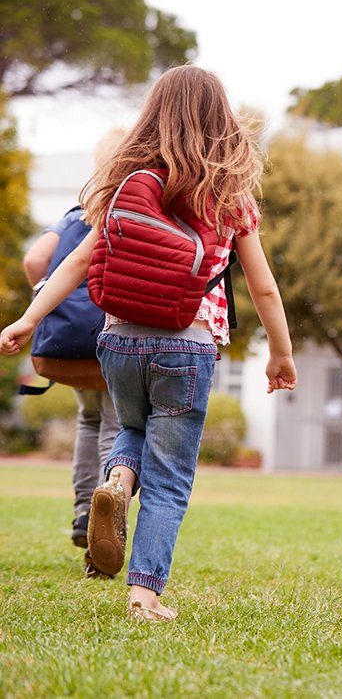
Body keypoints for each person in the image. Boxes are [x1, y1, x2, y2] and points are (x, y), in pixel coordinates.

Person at [0, 65, 297, 622]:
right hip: (187, 345)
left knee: (131, 431)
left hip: (115, 340)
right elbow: (262, 286)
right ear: (219, 120)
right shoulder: (227, 194)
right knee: (172, 478)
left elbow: (80, 259)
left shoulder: (128, 182)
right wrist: (280, 354)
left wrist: (27, 317)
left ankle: (116, 479)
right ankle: (144, 596)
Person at [22, 127, 126, 576]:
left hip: (66, 343)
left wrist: (47, 299)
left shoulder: (72, 214)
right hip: (106, 335)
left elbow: (33, 260)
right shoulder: (125, 211)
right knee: (113, 423)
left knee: (87, 420)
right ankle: (105, 512)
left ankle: (84, 513)